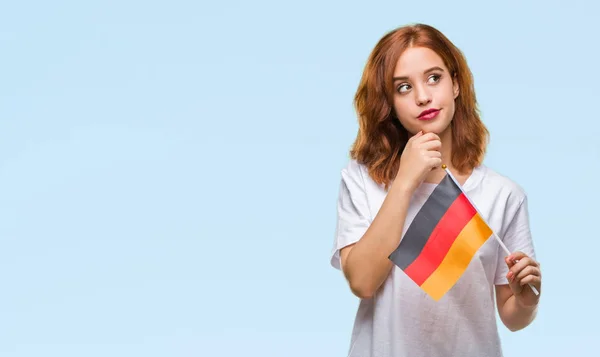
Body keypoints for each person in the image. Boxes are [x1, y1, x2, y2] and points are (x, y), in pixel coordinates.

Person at [330, 23, 542, 357]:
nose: (423, 96)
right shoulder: (362, 181)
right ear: (390, 104)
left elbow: (512, 316)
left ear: (455, 84)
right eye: (403, 87)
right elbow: (362, 282)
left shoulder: (503, 194)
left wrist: (528, 299)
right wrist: (404, 182)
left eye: (434, 77)